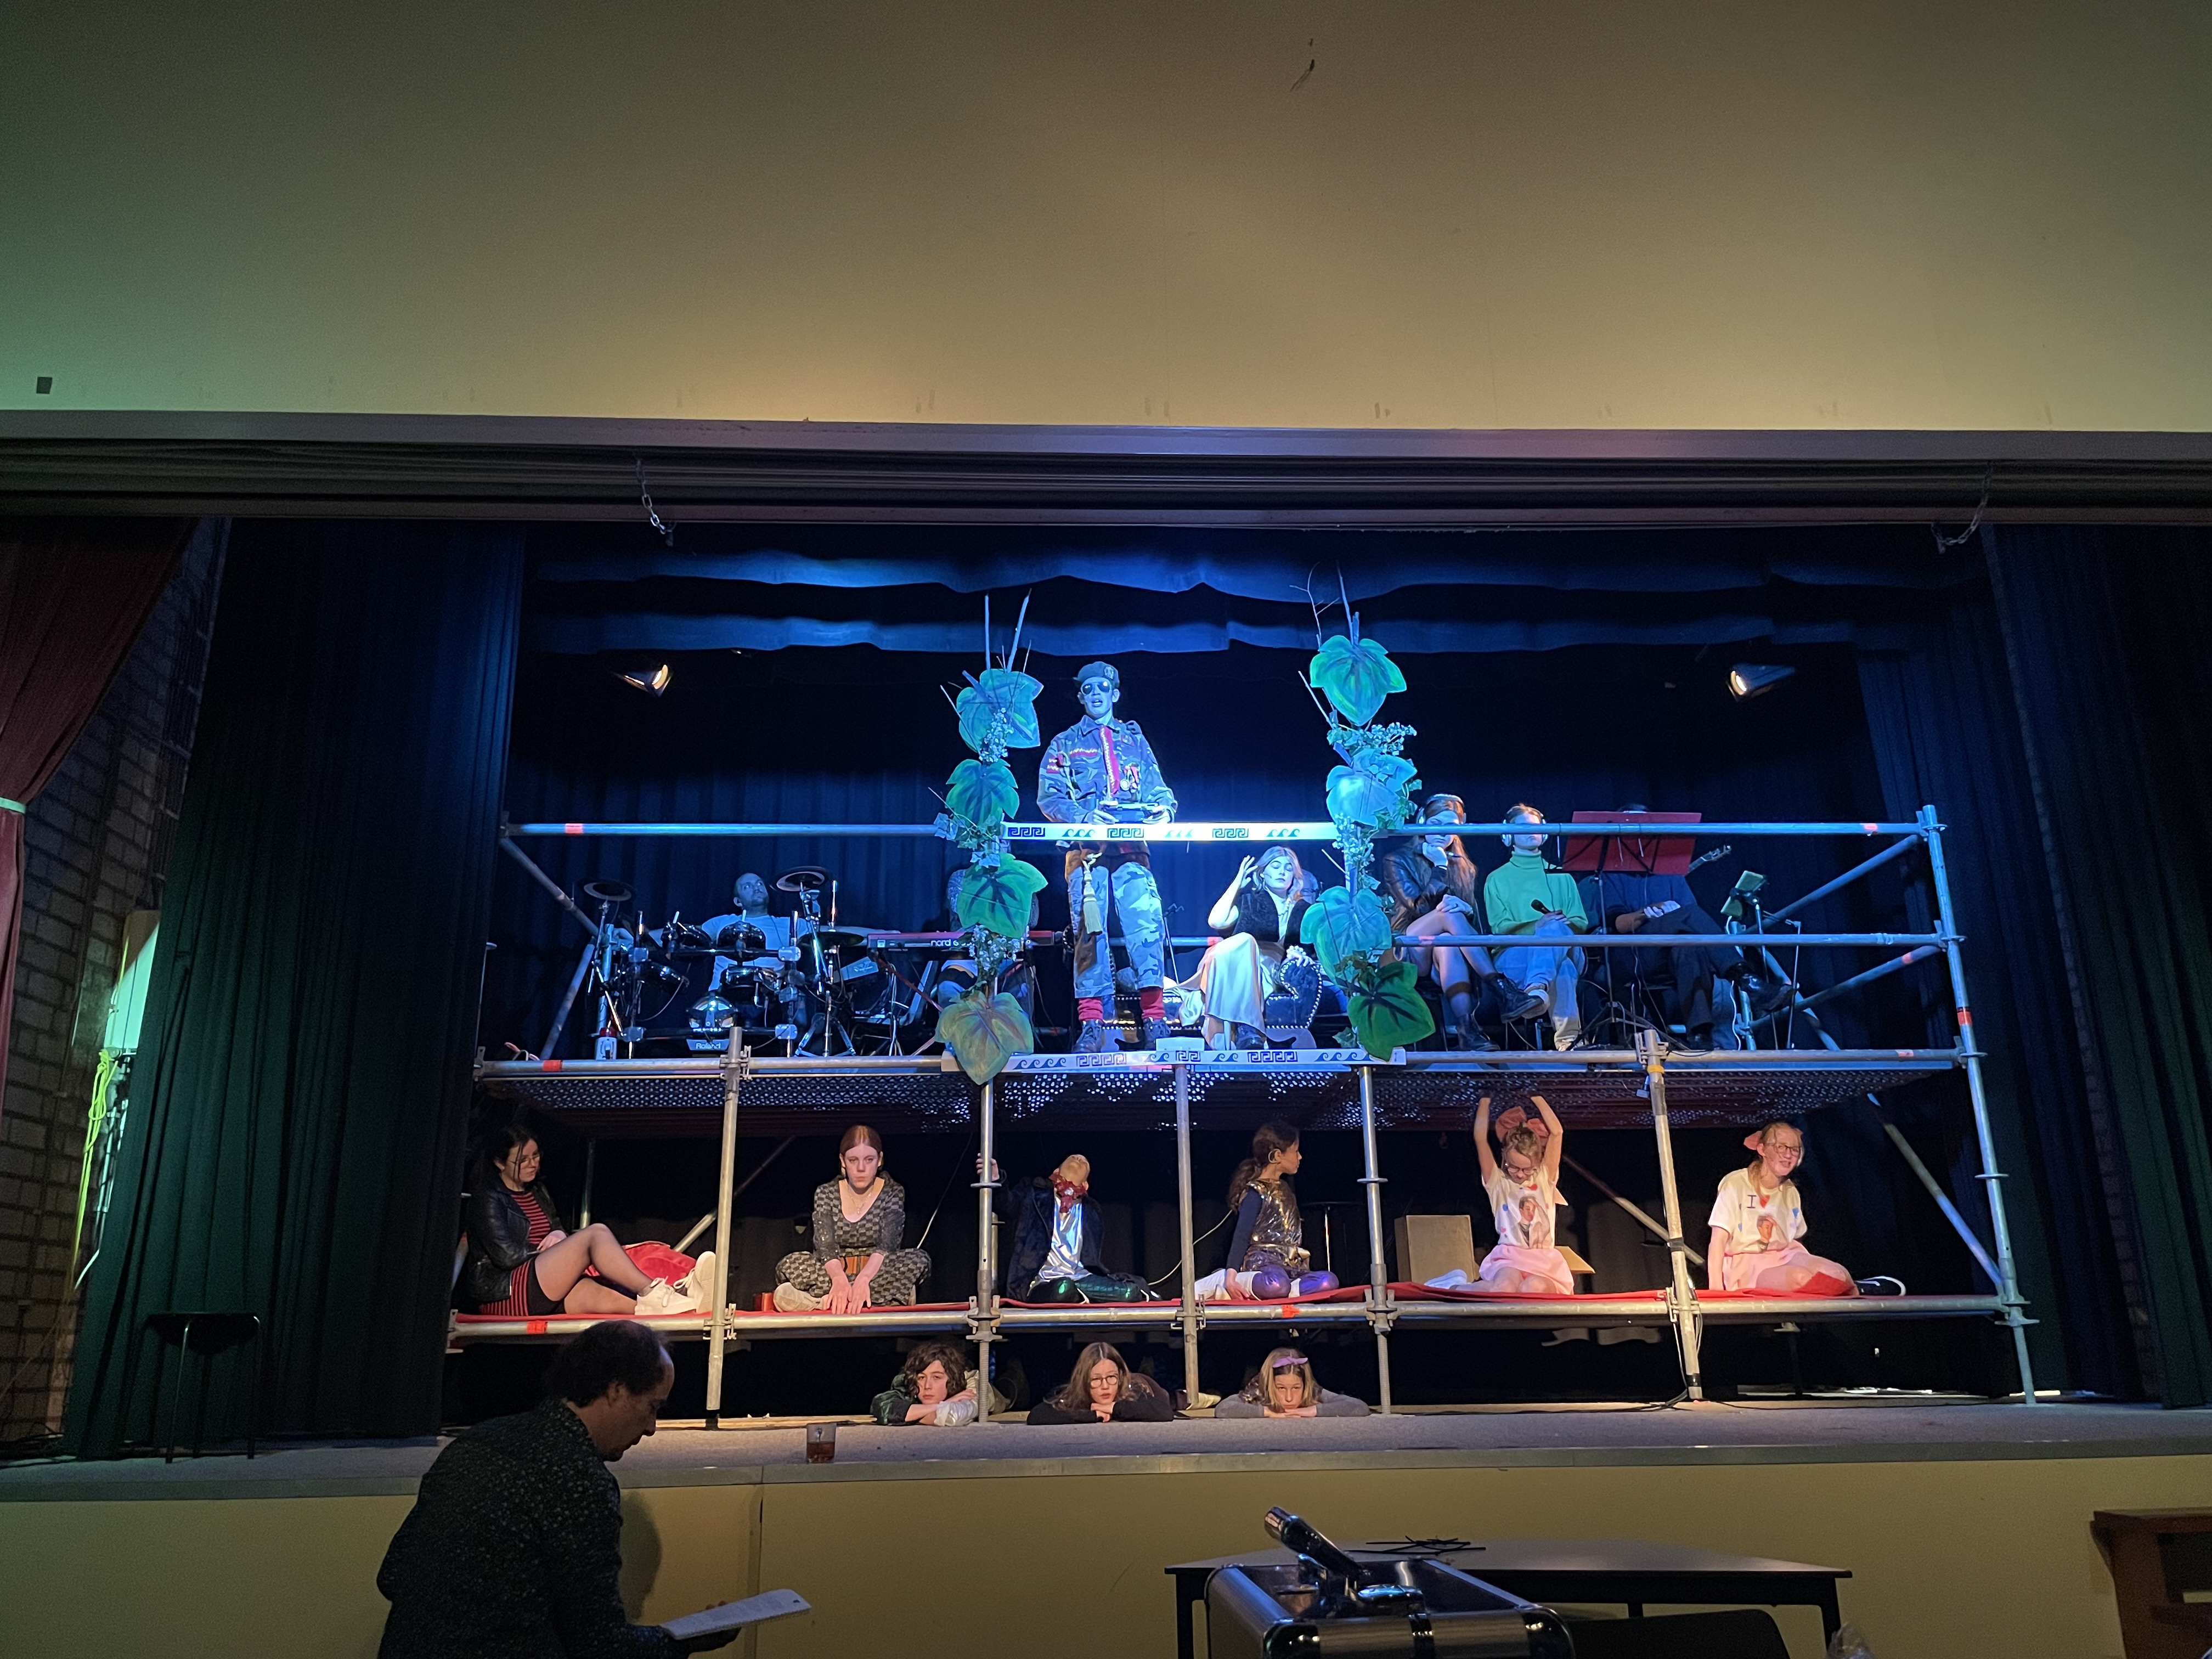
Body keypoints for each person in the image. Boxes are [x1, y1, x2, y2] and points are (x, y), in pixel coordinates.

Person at [377, 1321, 732, 1657]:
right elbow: (599, 1647)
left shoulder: (477, 1441)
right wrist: (687, 1638)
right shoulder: (580, 1480)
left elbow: (391, 1575)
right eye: (653, 1406)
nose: (652, 1427)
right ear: (617, 1390)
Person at [1037, 661, 1177, 1053]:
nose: (1096, 694)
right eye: (1088, 689)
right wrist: (1084, 817)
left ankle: (1155, 1019)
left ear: (1115, 694)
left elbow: (1157, 786)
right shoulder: (1065, 743)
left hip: (1132, 850)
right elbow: (1049, 797)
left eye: (1103, 688)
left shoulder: (1134, 739)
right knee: (1089, 933)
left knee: (1146, 926)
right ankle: (1092, 1024)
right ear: (1080, 697)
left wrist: (1164, 810)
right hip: (1087, 853)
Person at [460, 1126, 708, 1318]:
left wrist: (559, 1235)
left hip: (541, 1283)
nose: (533, 1164)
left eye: (536, 1156)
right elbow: (508, 1257)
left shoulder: (536, 1191)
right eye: (523, 1160)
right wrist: (555, 1251)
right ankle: (651, 1291)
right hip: (508, 1293)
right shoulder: (487, 1199)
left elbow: (554, 1227)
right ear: (500, 1163)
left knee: (603, 1297)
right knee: (596, 1233)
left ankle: (683, 1303)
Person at [1379, 795, 1543, 1049]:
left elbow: (1470, 927)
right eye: (1435, 823)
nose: (1442, 832)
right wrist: (1440, 866)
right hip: (1408, 946)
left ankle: (1468, 1029)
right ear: (1422, 821)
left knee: (1447, 942)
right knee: (1447, 915)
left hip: (1442, 946)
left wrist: (1467, 909)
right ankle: (1501, 989)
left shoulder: (1464, 865)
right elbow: (1420, 908)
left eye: (1450, 825)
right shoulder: (1397, 860)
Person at [1577, 805, 1746, 1049]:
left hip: (1666, 957)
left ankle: (1700, 1036)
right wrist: (1646, 913)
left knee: (1690, 949)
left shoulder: (1670, 876)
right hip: (1629, 956)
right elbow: (1619, 925)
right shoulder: (1611, 876)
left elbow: (1692, 924)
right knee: (1691, 915)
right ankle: (1745, 977)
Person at [772, 1125, 933, 1311]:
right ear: (843, 1161)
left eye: (869, 1160)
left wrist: (863, 1279)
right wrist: (839, 1280)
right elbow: (826, 1247)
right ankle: (882, 1299)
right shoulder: (826, 1193)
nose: (861, 1168)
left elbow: (887, 1247)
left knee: (918, 1260)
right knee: (790, 1264)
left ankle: (825, 1303)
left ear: (880, 1160)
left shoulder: (892, 1192)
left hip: (875, 1274)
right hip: (833, 1274)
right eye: (853, 1160)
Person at [1707, 1122, 1860, 1295]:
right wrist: (1716, 1291)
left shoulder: (1790, 1190)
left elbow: (1796, 1239)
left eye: (1794, 1149)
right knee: (1800, 1278)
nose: (1788, 1155)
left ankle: (1858, 1289)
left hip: (1786, 1255)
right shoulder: (1736, 1184)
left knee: (1837, 1273)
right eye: (1781, 1147)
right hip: (1749, 1263)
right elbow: (1718, 1241)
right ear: (1762, 1149)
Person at [1187, 843, 1316, 1050]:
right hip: (1230, 962)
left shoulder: (1304, 910)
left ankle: (1244, 1027)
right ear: (1263, 873)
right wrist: (1237, 883)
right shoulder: (1249, 901)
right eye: (1275, 866)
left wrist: (1298, 953)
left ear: (1295, 876)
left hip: (1268, 968)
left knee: (1249, 949)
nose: (1282, 872)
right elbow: (1216, 921)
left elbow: (1309, 949)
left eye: (1288, 868)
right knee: (1245, 942)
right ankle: (1248, 1028)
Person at [1195, 1121, 1341, 1301]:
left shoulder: (1285, 1189)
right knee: (1276, 1284)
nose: (1300, 1157)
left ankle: (1286, 1291)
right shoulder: (1256, 1192)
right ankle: (1225, 1280)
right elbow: (1242, 1235)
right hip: (1263, 1263)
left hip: (1290, 1265)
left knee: (1328, 1281)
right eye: (1296, 1151)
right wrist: (1231, 1276)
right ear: (1278, 1156)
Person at [1483, 804, 1589, 1049]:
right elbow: (1500, 929)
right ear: (1507, 835)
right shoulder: (1496, 879)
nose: (1532, 832)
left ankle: (1536, 989)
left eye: (1537, 827)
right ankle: (1570, 1042)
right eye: (1523, 827)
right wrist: (1537, 926)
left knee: (1554, 930)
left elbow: (1581, 924)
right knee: (1563, 968)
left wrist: (1559, 925)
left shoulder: (1563, 876)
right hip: (1514, 956)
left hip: (1566, 948)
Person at [990, 1152, 1151, 1302]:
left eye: (1084, 1163)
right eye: (1073, 1158)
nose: (1079, 1159)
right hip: (1042, 1281)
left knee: (1129, 1292)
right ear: (1057, 1171)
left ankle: (1080, 1294)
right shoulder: (1033, 1194)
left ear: (1085, 1185)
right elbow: (1006, 1205)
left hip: (1081, 1277)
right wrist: (997, 1180)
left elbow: (1092, 1259)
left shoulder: (1091, 1211)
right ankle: (1077, 1295)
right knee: (1064, 1288)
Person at [1470, 1094, 1573, 1293]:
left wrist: (1537, 1097)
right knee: (1504, 1287)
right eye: (1514, 1167)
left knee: (1532, 1288)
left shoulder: (1544, 1179)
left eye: (1527, 1169)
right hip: (1510, 1258)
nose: (1520, 1174)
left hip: (1543, 1262)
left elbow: (1557, 1133)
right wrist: (1485, 1101)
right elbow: (1480, 1139)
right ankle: (1459, 1288)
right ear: (1505, 1159)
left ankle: (1470, 1288)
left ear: (1537, 1163)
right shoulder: (1499, 1183)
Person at [1024, 1341, 1177, 1424]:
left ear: (1120, 1376)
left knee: (1171, 1398)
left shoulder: (1134, 1389)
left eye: (1111, 1377)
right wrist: (1093, 1415)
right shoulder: (1076, 1393)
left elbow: (1164, 1412)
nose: (1105, 1386)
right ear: (1084, 1380)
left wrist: (1115, 1408)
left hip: (1150, 1387)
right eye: (1096, 1379)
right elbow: (1038, 1415)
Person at [1214, 1347, 1370, 1418]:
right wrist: (1267, 1413)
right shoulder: (1260, 1388)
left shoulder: (1311, 1390)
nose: (1289, 1398)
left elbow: (1358, 1407)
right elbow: (1224, 1409)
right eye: (1281, 1388)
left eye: (1296, 1388)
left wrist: (1313, 1411)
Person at [870, 1341, 981, 1426]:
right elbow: (882, 1407)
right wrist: (943, 1405)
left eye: (937, 1377)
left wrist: (913, 1415)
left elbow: (954, 1417)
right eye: (922, 1378)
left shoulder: (970, 1382)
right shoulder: (908, 1382)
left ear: (953, 1379)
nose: (927, 1386)